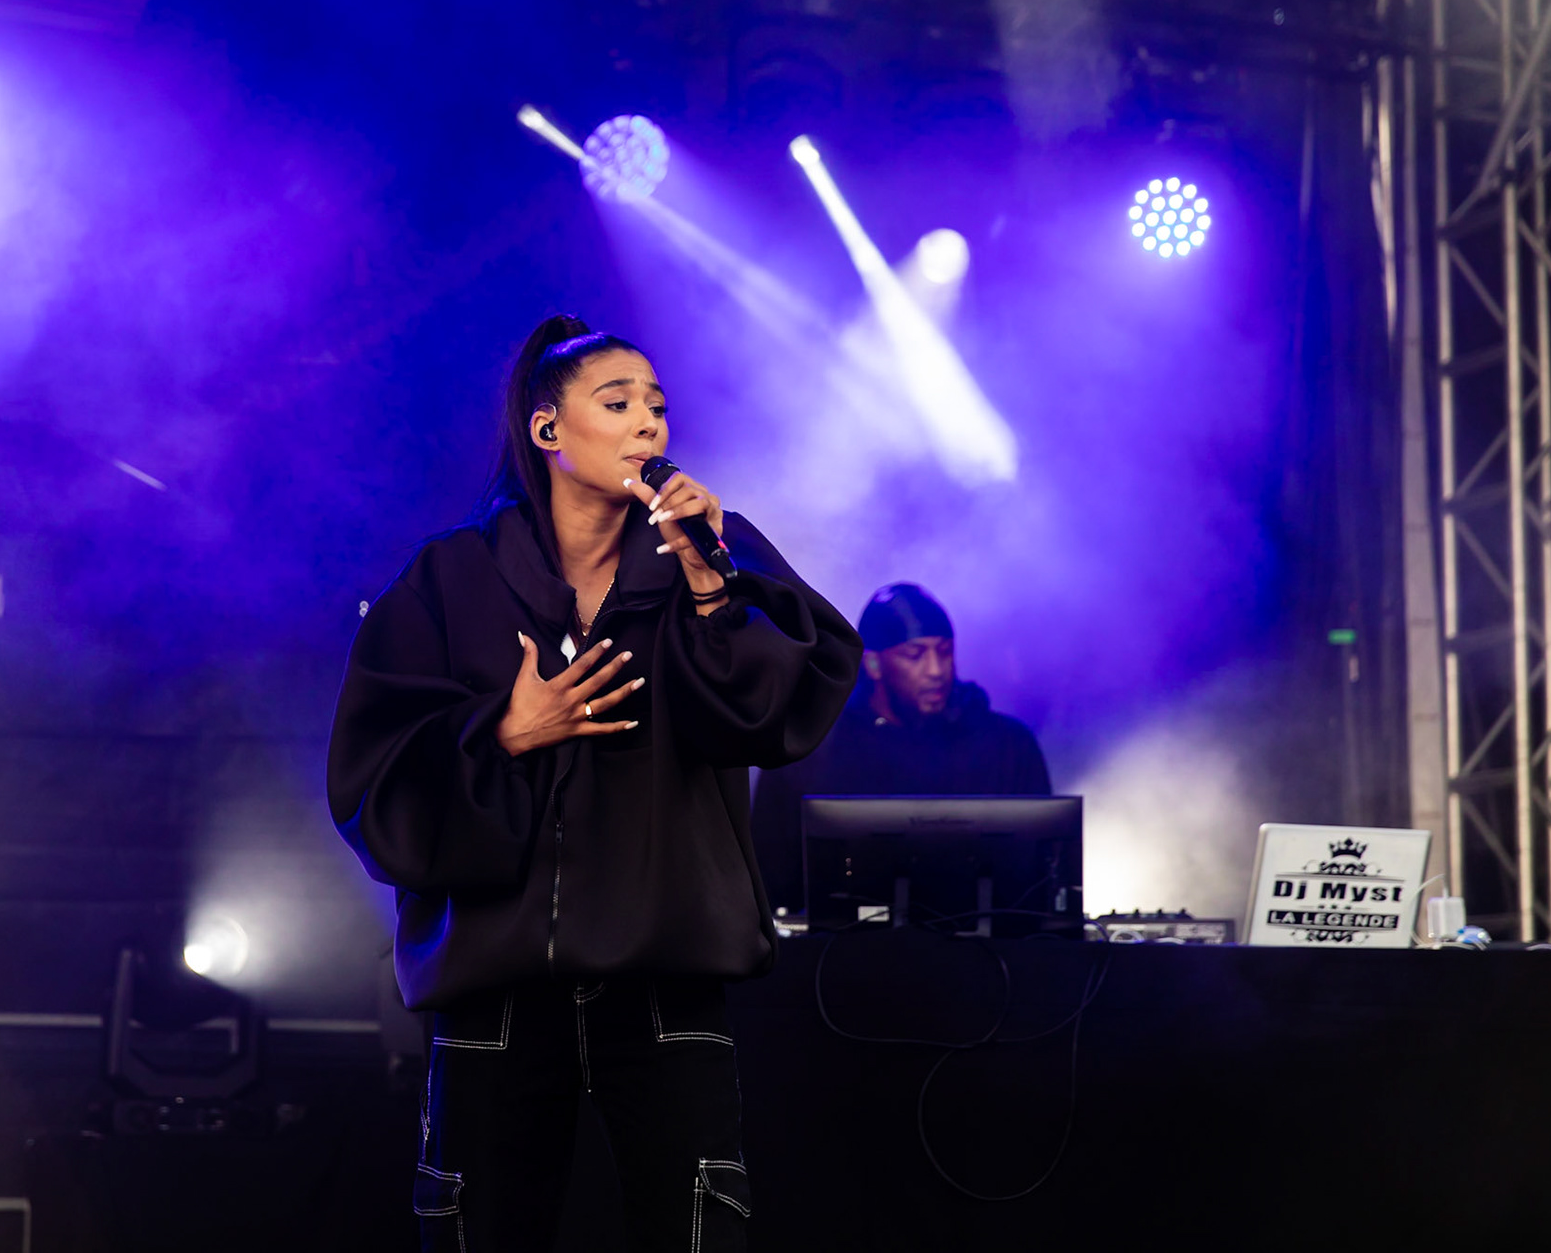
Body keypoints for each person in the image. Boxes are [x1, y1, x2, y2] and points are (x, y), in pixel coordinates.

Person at [326, 314, 860, 1252]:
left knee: (696, 1229)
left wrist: (709, 588)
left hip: (665, 977)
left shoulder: (712, 554)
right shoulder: (451, 578)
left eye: (657, 406)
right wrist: (504, 732)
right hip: (496, 983)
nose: (648, 423)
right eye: (618, 404)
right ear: (548, 429)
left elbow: (779, 713)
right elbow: (373, 777)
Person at [751, 582, 1051, 913]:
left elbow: (1044, 872)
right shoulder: (812, 747)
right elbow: (770, 876)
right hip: (844, 943)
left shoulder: (1007, 745)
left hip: (986, 940)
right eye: (915, 655)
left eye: (945, 652)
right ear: (874, 665)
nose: (936, 670)